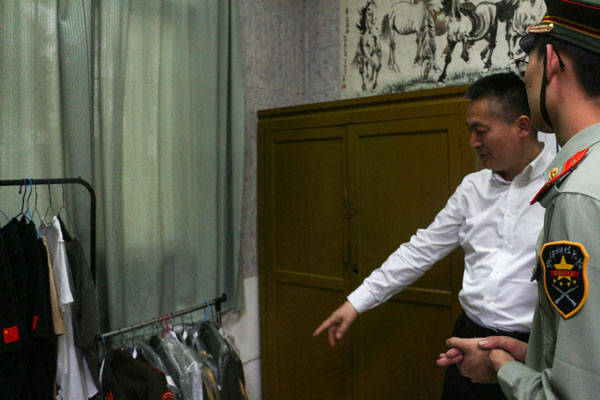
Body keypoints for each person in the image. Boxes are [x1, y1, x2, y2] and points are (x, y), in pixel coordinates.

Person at [313, 72, 555, 399]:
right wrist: (356, 303)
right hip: (467, 341)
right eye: (470, 131)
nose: (473, 142)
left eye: (480, 130)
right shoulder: (472, 189)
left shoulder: (561, 184)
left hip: (530, 350)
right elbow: (420, 250)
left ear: (522, 127)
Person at [437, 0, 600, 398]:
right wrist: (533, 357)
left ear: (552, 61)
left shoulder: (577, 193)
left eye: (527, 59)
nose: (525, 75)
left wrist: (504, 369)